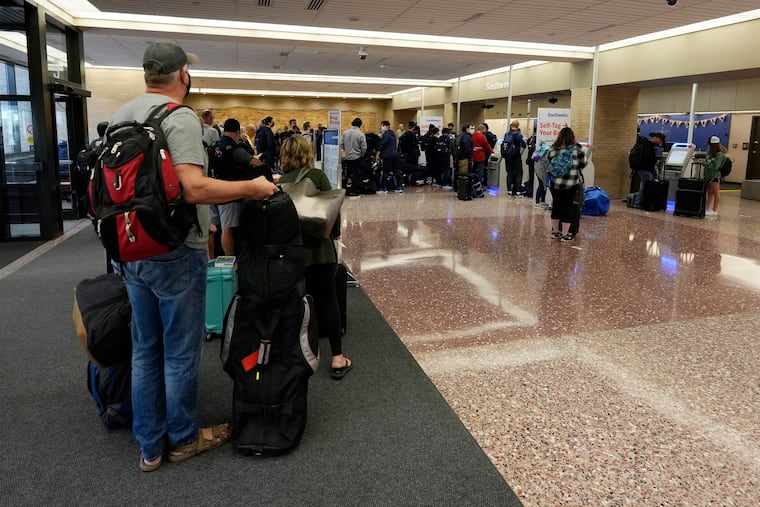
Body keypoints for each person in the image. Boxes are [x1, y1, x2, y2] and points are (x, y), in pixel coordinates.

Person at [111, 42, 278, 472]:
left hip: (130, 247)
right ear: (182, 74)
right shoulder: (177, 116)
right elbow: (192, 188)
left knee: (145, 348)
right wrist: (252, 187)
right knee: (180, 351)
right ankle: (183, 438)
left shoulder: (121, 114)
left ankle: (149, 446)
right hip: (173, 248)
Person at [277, 135, 353, 379]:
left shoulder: (280, 184)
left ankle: (299, 354)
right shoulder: (317, 176)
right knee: (328, 300)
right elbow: (332, 211)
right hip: (320, 251)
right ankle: (338, 358)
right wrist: (336, 234)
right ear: (307, 153)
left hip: (294, 254)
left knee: (298, 302)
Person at [209, 118, 271, 257]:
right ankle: (231, 261)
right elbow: (255, 163)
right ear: (237, 132)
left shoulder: (214, 146)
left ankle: (211, 259)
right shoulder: (234, 148)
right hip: (228, 193)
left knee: (212, 229)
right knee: (227, 229)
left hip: (211, 191)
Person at [547, 127, 586, 242]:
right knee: (567, 208)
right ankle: (565, 234)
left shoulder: (554, 148)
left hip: (555, 184)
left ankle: (555, 232)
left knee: (556, 207)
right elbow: (583, 164)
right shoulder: (577, 149)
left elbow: (549, 161)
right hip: (571, 183)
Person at [632, 132, 663, 208]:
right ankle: (638, 202)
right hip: (645, 169)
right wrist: (655, 161)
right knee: (645, 186)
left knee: (644, 185)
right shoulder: (648, 146)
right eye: (660, 140)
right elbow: (648, 158)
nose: (660, 142)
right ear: (656, 138)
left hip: (641, 168)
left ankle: (639, 202)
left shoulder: (645, 144)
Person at [341, 117, 367, 196]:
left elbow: (341, 143)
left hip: (348, 157)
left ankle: (348, 189)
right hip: (357, 157)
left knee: (349, 173)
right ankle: (354, 190)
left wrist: (346, 150)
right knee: (356, 174)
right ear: (360, 125)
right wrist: (362, 154)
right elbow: (364, 147)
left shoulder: (346, 132)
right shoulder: (360, 134)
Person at [701, 135, 727, 217]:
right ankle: (707, 208)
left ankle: (714, 210)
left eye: (709, 145)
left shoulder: (720, 155)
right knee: (709, 193)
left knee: (716, 193)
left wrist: (705, 163)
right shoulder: (710, 154)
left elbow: (716, 166)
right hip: (708, 176)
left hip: (714, 176)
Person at [376, 120, 402, 193]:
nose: (381, 128)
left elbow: (382, 145)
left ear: (385, 126)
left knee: (385, 172)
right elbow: (396, 143)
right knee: (395, 171)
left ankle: (384, 188)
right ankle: (399, 187)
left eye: (382, 126)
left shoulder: (386, 134)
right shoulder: (392, 134)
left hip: (388, 156)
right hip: (395, 155)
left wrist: (377, 154)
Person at [504, 121, 527, 197]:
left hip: (508, 157)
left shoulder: (507, 134)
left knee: (509, 173)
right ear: (518, 126)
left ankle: (509, 191)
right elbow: (524, 145)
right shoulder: (518, 135)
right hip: (516, 157)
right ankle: (518, 192)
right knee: (519, 173)